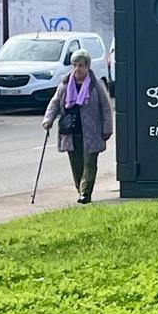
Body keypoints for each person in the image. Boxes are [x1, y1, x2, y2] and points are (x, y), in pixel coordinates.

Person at [43, 49, 112, 203]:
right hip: (71, 132)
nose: (77, 69)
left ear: (87, 67)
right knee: (76, 165)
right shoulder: (65, 85)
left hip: (92, 132)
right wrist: (48, 120)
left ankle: (85, 194)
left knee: (89, 163)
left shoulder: (95, 85)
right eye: (74, 65)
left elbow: (106, 107)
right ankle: (80, 189)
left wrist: (107, 128)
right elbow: (54, 103)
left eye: (81, 65)